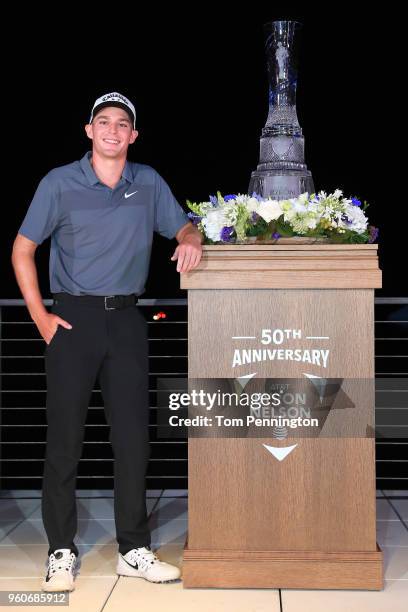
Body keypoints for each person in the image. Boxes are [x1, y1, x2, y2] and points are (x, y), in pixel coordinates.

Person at [11, 92, 203, 592]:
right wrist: (41, 317)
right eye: (104, 122)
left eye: (123, 123)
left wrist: (189, 239)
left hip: (127, 321)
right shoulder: (60, 182)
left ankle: (133, 549)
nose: (113, 130)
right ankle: (60, 551)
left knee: (133, 442)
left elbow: (185, 225)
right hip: (72, 321)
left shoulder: (148, 182)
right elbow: (23, 249)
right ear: (89, 130)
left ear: (133, 135)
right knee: (65, 442)